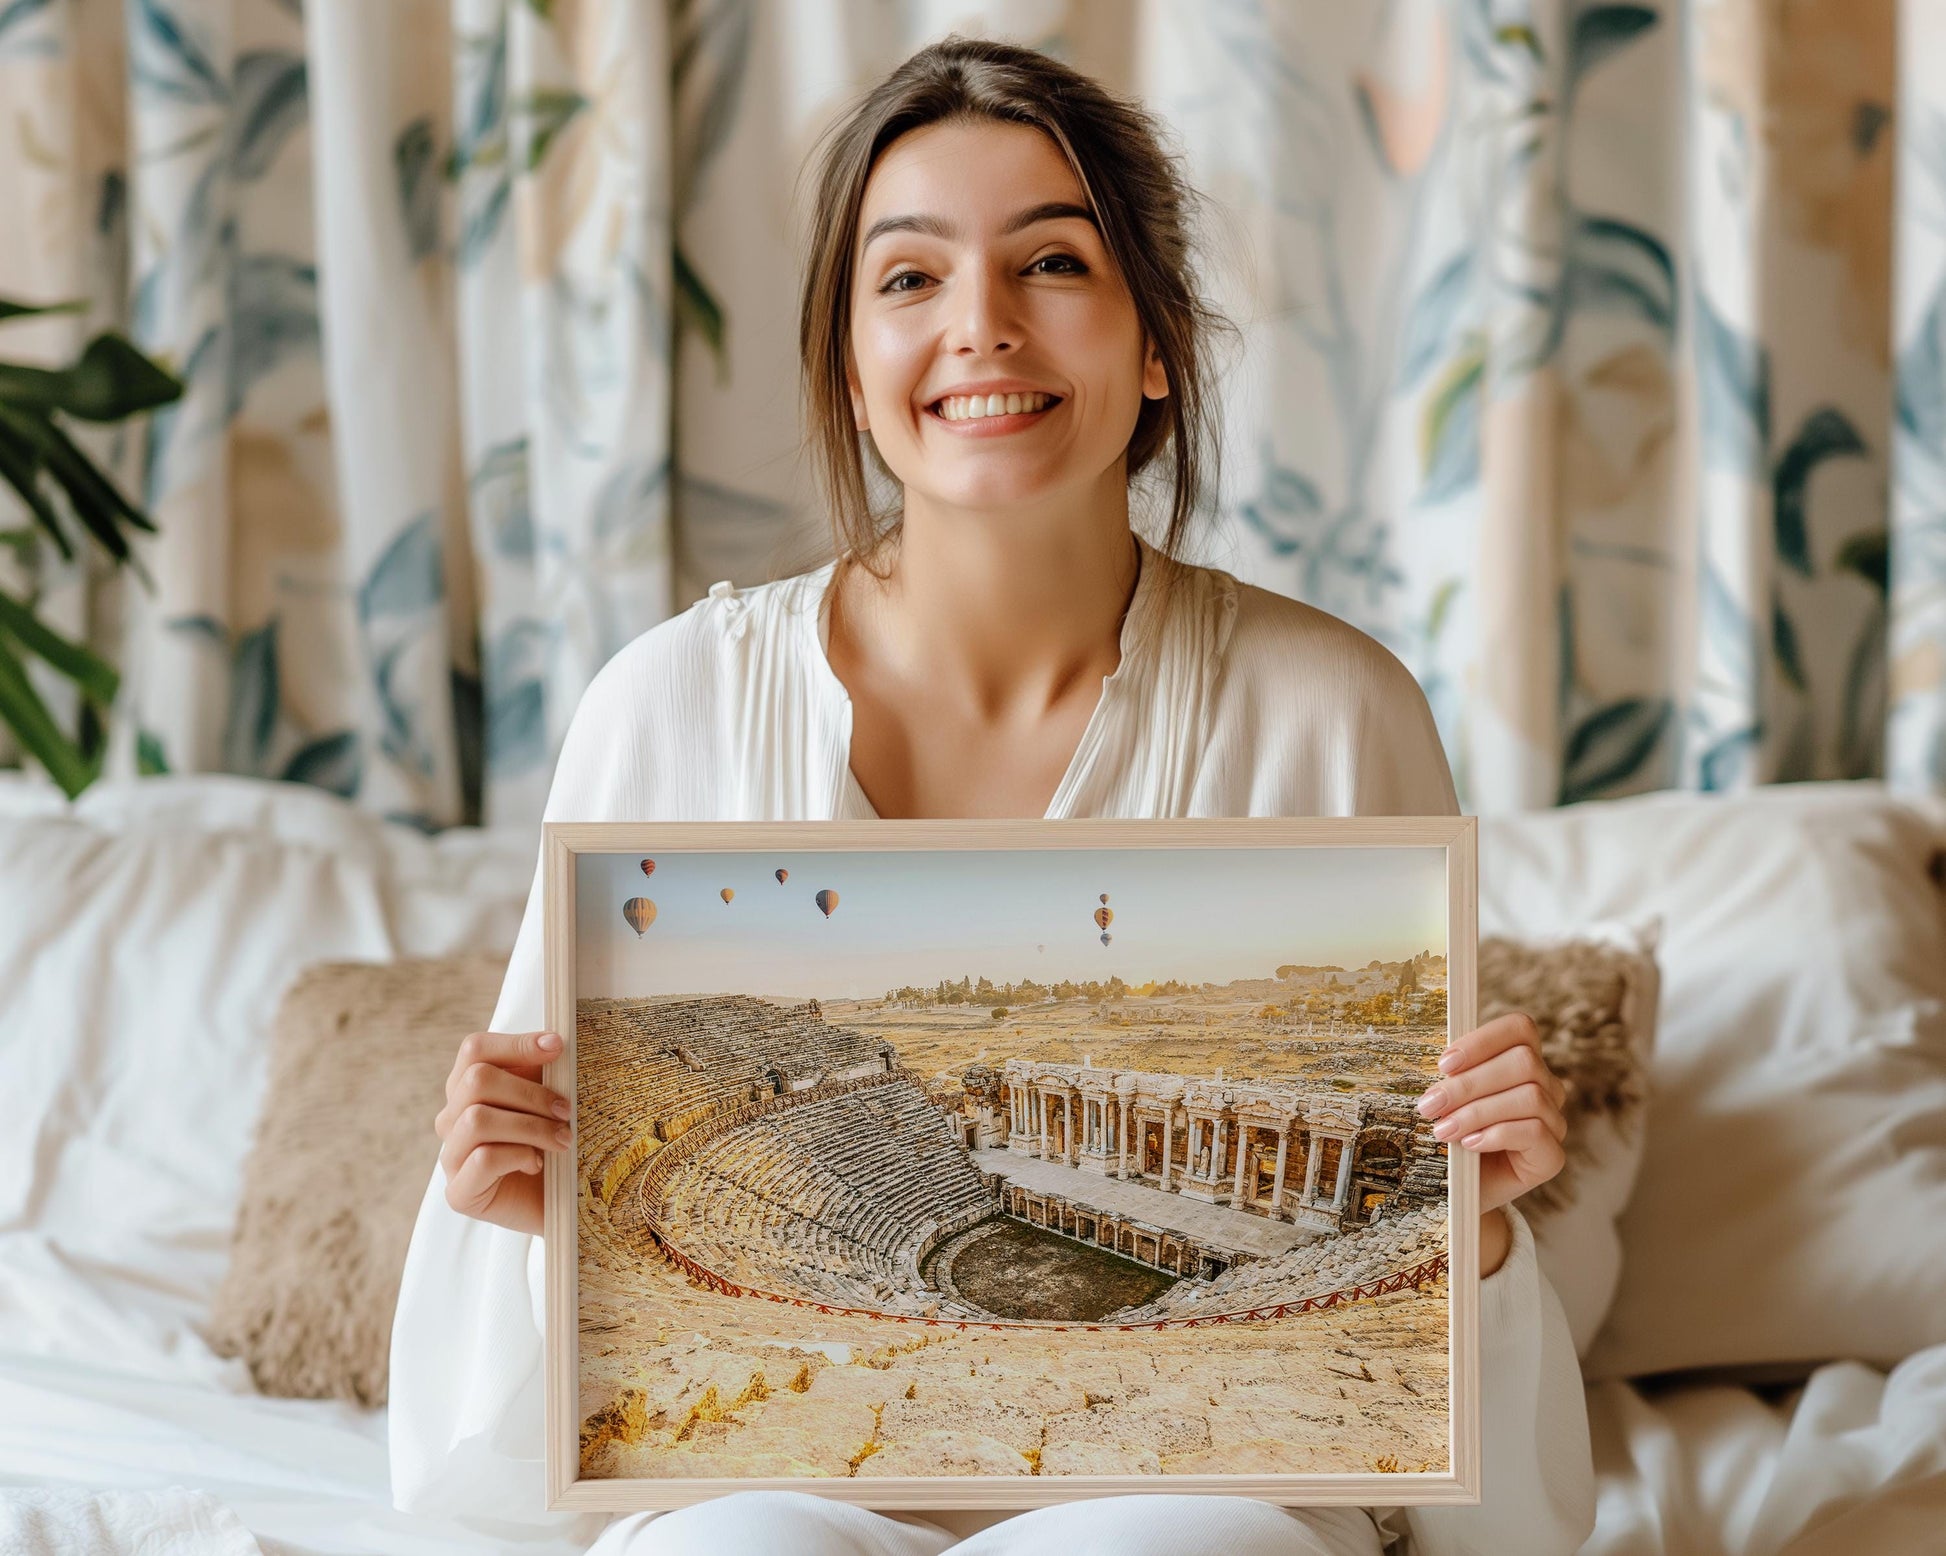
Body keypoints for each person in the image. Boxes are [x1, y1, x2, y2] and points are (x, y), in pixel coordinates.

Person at [390, 35, 1595, 1556]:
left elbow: (1457, 1459)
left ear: (1156, 343)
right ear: (847, 360)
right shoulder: (665, 704)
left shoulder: (1332, 714)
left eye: (1052, 264)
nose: (981, 328)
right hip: (763, 1491)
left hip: (1195, 1498)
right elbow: (495, 1446)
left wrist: (1476, 1225)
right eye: (908, 280)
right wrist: (529, 1215)